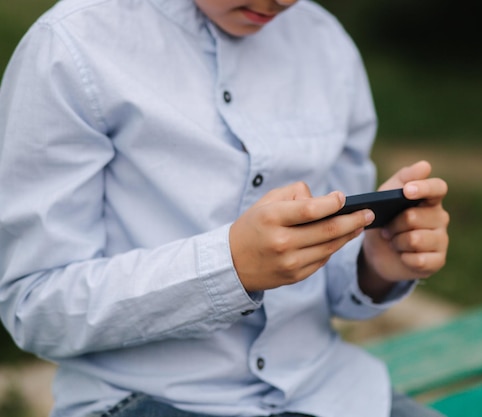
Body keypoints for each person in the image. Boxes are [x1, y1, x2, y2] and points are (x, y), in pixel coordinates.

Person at [0, 0, 450, 416]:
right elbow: (33, 304)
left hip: (330, 391)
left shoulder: (327, 46)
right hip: (146, 400)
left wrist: (375, 264)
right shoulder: (72, 45)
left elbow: (332, 281)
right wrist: (228, 267)